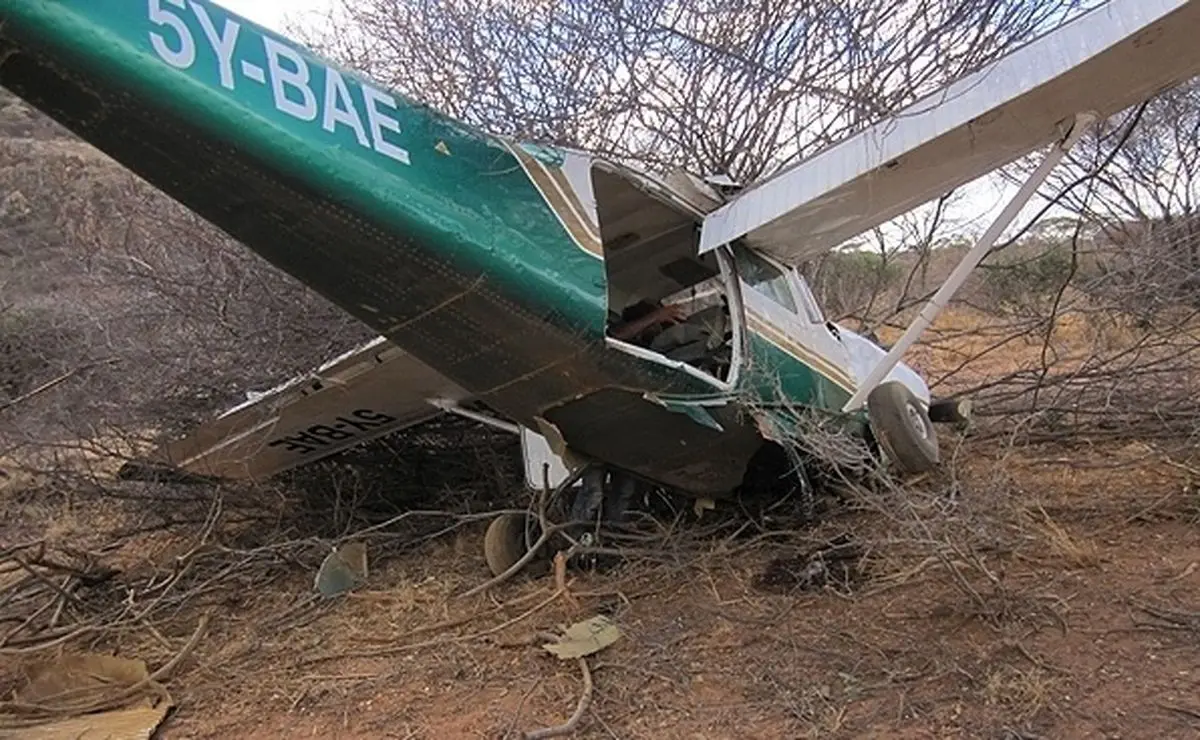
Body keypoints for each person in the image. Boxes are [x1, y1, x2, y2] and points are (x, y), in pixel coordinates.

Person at [608, 299, 685, 345]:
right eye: (655, 323)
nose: (658, 327)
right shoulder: (624, 337)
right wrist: (656, 316)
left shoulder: (653, 346)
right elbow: (617, 335)